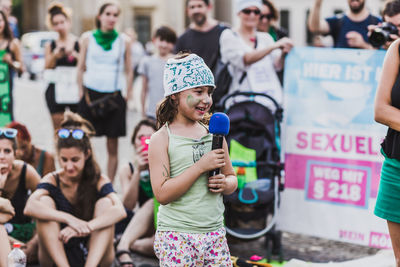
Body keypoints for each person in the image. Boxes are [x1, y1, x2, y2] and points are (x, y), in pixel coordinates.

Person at [149, 53, 237, 265]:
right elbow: (162, 193)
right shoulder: (162, 139)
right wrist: (200, 167)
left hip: (214, 234)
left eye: (209, 92)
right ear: (174, 95)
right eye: (198, 91)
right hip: (176, 236)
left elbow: (232, 178)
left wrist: (225, 184)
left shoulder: (214, 135)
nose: (206, 99)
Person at [24, 111, 126, 267]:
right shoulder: (52, 179)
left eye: (75, 160)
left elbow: (120, 211)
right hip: (57, 253)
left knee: (106, 204)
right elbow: (30, 207)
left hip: (93, 254)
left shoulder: (98, 179)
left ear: (87, 154)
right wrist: (68, 219)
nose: (69, 166)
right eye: (64, 160)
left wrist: (85, 227)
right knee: (43, 202)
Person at [77, 1, 133, 182]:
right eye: (107, 14)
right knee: (85, 142)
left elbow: (129, 69)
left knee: (112, 144)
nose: (111, 18)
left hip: (114, 95)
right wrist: (80, 92)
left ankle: (108, 182)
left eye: (115, 15)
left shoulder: (124, 41)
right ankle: (90, 178)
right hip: (90, 94)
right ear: (99, 16)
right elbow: (80, 67)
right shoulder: (87, 38)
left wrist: (128, 94)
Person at [219, 0, 293, 111]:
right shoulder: (229, 35)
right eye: (247, 11)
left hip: (269, 101)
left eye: (256, 12)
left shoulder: (265, 37)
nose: (252, 15)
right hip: (241, 101)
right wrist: (275, 46)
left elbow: (278, 66)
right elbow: (245, 60)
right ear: (239, 13)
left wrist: (283, 53)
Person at [115, 118, 157, 266]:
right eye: (141, 138)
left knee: (160, 245)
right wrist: (138, 171)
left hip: (160, 223)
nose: (145, 141)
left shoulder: (166, 164)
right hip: (140, 223)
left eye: (150, 137)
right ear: (134, 143)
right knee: (152, 201)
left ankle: (128, 243)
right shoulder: (128, 168)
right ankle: (123, 246)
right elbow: (128, 205)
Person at [0, 127, 41, 266]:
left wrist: (34, 241)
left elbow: (47, 202)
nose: (2, 156)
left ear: (15, 154)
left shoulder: (26, 172)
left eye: (7, 151)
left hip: (25, 237)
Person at [44, 2, 80, 131]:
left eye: (62, 22)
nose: (60, 26)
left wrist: (75, 55)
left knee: (77, 127)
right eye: (56, 24)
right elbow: (46, 67)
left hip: (74, 88)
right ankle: (59, 151)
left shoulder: (78, 42)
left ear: (68, 22)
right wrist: (55, 55)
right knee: (58, 129)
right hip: (56, 88)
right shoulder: (50, 45)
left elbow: (85, 66)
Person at [174, 0, 228, 74]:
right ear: (187, 11)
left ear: (209, 7)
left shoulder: (225, 32)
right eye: (192, 7)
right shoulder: (182, 39)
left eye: (200, 6)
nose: (196, 10)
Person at [308, 0, 381, 49]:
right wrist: (317, 3)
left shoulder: (377, 22)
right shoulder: (337, 21)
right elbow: (314, 28)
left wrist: (363, 45)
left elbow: (384, 53)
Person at [139, 26, 176, 119]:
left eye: (168, 41)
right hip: (152, 112)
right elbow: (144, 89)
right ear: (154, 40)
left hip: (173, 113)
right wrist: (143, 112)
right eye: (161, 40)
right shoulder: (146, 61)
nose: (164, 44)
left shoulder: (177, 61)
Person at [0, 9, 23, 121]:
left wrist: (11, 62)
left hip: (5, 93)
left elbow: (21, 68)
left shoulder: (13, 43)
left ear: (4, 22)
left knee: (6, 125)